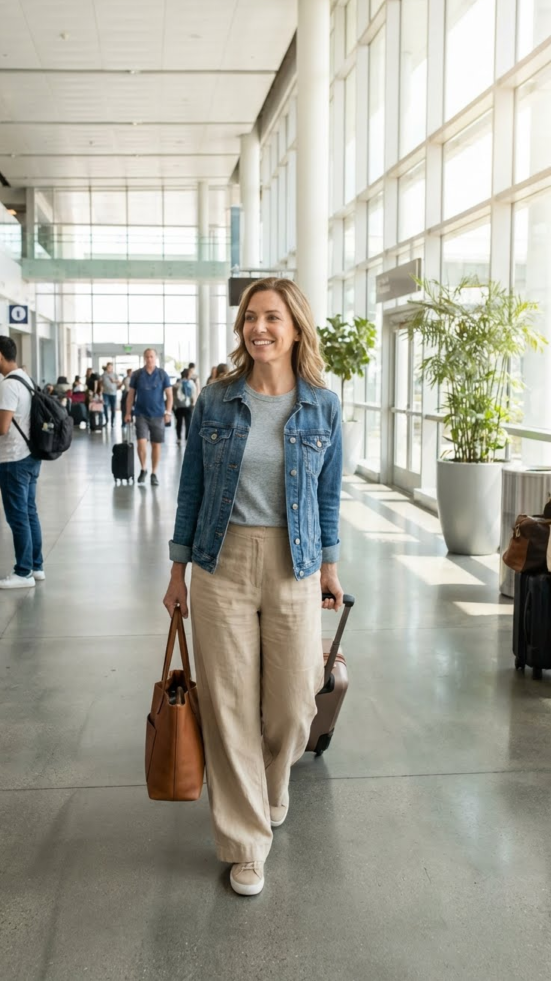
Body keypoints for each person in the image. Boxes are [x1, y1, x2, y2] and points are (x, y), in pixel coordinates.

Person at [163, 277, 343, 897]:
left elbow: (326, 494)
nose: (258, 328)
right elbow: (189, 491)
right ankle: (245, 843)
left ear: (295, 327)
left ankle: (273, 780)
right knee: (229, 703)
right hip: (221, 560)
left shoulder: (323, 403)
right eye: (249, 318)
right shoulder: (216, 400)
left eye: (271, 317)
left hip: (295, 560)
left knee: (294, 704)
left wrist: (331, 566)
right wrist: (177, 571)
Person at [0, 336, 44, 589]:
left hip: (14, 459)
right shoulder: (24, 379)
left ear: (0, 355)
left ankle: (22, 572)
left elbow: (3, 428)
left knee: (17, 517)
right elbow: (11, 418)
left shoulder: (6, 385)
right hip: (31, 456)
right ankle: (36, 567)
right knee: (29, 513)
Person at [125, 349, 173, 486]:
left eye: (151, 356)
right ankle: (143, 468)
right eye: (147, 356)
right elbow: (130, 395)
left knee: (156, 445)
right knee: (141, 443)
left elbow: (169, 396)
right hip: (140, 414)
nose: (149, 359)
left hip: (158, 415)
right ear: (144, 358)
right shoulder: (137, 375)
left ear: (155, 358)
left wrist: (168, 413)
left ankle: (154, 473)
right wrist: (128, 412)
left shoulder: (162, 374)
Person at [173, 368, 197, 445]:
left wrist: (174, 405)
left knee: (179, 423)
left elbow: (174, 395)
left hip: (179, 406)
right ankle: (187, 438)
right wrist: (194, 403)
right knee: (188, 423)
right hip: (188, 406)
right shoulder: (191, 383)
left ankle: (179, 438)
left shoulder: (178, 383)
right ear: (188, 375)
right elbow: (194, 394)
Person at [101, 362, 120, 428]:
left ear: (112, 368)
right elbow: (101, 383)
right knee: (105, 406)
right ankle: (106, 420)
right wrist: (100, 391)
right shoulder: (104, 374)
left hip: (113, 393)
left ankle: (112, 422)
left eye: (110, 367)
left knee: (113, 408)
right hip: (105, 393)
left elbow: (119, 382)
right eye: (108, 367)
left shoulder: (115, 374)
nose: (109, 368)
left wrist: (114, 381)